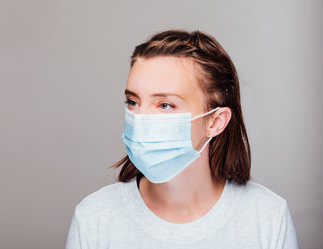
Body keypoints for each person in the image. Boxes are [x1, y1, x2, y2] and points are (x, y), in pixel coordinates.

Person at [65, 29, 299, 248]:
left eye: (165, 105)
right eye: (133, 102)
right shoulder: (93, 218)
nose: (141, 119)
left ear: (215, 122)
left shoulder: (268, 217)